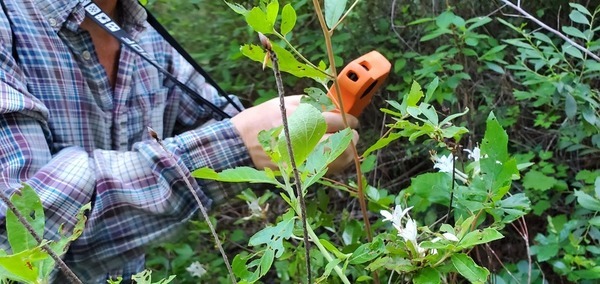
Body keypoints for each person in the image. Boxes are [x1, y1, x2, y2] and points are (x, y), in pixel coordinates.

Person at [0, 0, 359, 282]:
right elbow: (18, 230)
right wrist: (236, 146)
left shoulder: (143, 35)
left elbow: (216, 120)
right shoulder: (9, 21)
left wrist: (303, 135)